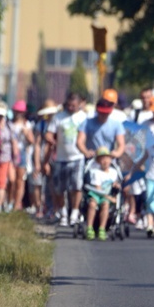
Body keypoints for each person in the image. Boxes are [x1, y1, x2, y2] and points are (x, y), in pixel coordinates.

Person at [45, 93, 87, 226]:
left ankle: (74, 212)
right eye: (69, 105)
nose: (71, 107)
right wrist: (52, 140)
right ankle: (63, 213)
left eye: (73, 105)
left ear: (79, 104)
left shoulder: (83, 118)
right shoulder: (58, 117)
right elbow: (48, 134)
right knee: (59, 188)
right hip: (61, 157)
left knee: (76, 186)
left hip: (78, 157)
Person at [85, 146, 121, 240]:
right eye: (102, 159)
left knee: (105, 205)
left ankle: (102, 228)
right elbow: (98, 189)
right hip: (97, 194)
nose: (105, 161)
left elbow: (115, 184)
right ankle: (89, 228)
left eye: (107, 158)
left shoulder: (113, 172)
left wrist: (116, 186)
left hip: (107, 196)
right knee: (92, 204)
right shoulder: (96, 173)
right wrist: (110, 198)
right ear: (98, 161)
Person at [76, 93, 126, 160]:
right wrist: (86, 152)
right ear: (97, 110)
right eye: (101, 113)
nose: (104, 115)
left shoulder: (116, 124)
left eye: (106, 113)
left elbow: (121, 144)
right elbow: (79, 142)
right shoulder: (87, 123)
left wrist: (117, 153)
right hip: (92, 159)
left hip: (109, 160)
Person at [8, 100, 34, 211]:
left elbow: (32, 140)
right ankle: (9, 200)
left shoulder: (27, 124)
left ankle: (17, 204)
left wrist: (26, 133)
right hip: (9, 153)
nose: (18, 113)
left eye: (20, 111)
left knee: (20, 180)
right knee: (11, 179)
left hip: (22, 153)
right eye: (16, 111)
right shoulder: (9, 124)